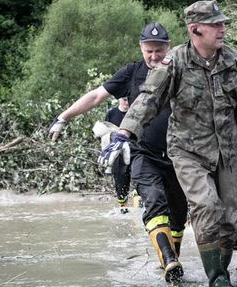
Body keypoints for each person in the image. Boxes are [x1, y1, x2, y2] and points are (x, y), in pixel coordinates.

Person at [98, 0, 237, 287]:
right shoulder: (175, 62)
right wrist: (125, 133)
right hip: (188, 152)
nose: (222, 29)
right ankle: (218, 280)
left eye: (223, 24)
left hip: (224, 151)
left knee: (230, 220)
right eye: (215, 24)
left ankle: (220, 269)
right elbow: (148, 99)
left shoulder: (231, 60)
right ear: (195, 29)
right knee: (207, 207)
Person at [48, 22, 188, 283]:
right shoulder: (131, 73)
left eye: (159, 50)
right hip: (143, 152)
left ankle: (171, 261)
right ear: (141, 48)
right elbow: (95, 97)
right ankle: (169, 260)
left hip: (180, 154)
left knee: (179, 215)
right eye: (149, 51)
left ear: (168, 47)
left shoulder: (179, 70)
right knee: (155, 201)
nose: (155, 56)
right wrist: (63, 116)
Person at [105, 97, 131, 213]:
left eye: (129, 100)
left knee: (139, 178)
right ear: (120, 99)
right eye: (125, 100)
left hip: (134, 151)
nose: (127, 103)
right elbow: (105, 132)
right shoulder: (111, 113)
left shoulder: (134, 113)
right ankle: (123, 209)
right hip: (117, 153)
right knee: (120, 182)